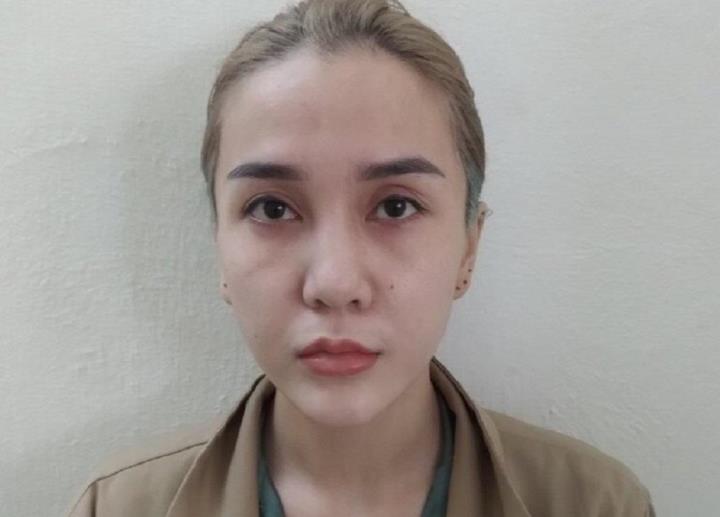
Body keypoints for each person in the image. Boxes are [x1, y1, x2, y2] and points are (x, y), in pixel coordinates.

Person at [66, 0, 655, 515]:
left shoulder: (593, 505)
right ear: (219, 245)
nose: (335, 282)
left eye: (396, 207)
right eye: (272, 209)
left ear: (468, 248)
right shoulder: (117, 508)